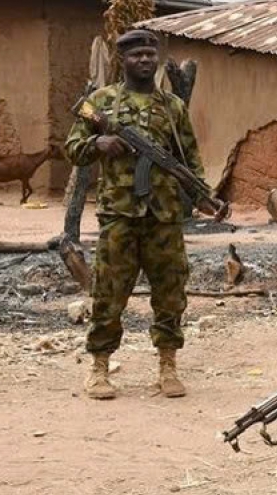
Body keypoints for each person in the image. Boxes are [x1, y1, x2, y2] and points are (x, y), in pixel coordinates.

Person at [65, 29, 210, 400]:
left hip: (164, 217)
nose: (144, 60)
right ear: (122, 60)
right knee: (108, 292)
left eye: (150, 54)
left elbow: (190, 158)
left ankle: (168, 366)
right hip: (119, 214)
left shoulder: (172, 107)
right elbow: (73, 147)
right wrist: (98, 142)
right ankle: (99, 368)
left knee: (170, 292)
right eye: (136, 55)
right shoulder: (101, 102)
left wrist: (201, 195)